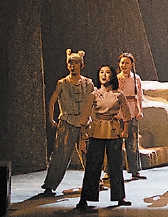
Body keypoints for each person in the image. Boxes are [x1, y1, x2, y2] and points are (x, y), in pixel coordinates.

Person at [77, 64, 132, 210]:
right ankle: (85, 198)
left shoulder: (119, 95)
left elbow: (127, 115)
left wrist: (124, 132)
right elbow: (84, 117)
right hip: (97, 131)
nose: (104, 75)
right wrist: (83, 136)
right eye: (101, 72)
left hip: (113, 131)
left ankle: (119, 196)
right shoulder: (94, 94)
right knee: (93, 165)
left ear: (112, 76)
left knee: (115, 166)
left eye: (107, 72)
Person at [39, 50, 93, 198]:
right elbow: (52, 101)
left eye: (76, 63)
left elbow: (93, 102)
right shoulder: (62, 83)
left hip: (84, 123)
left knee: (87, 153)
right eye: (70, 63)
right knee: (60, 155)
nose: (73, 66)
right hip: (67, 122)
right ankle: (50, 185)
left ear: (81, 65)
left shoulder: (88, 83)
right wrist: (51, 118)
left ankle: (94, 182)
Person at [115, 53, 146, 181]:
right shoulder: (116, 78)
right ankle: (110, 171)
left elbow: (139, 95)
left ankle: (135, 170)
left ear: (132, 65)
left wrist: (139, 110)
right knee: (115, 144)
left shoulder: (136, 78)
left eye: (127, 63)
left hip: (132, 111)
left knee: (132, 143)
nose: (124, 65)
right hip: (119, 113)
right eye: (122, 63)